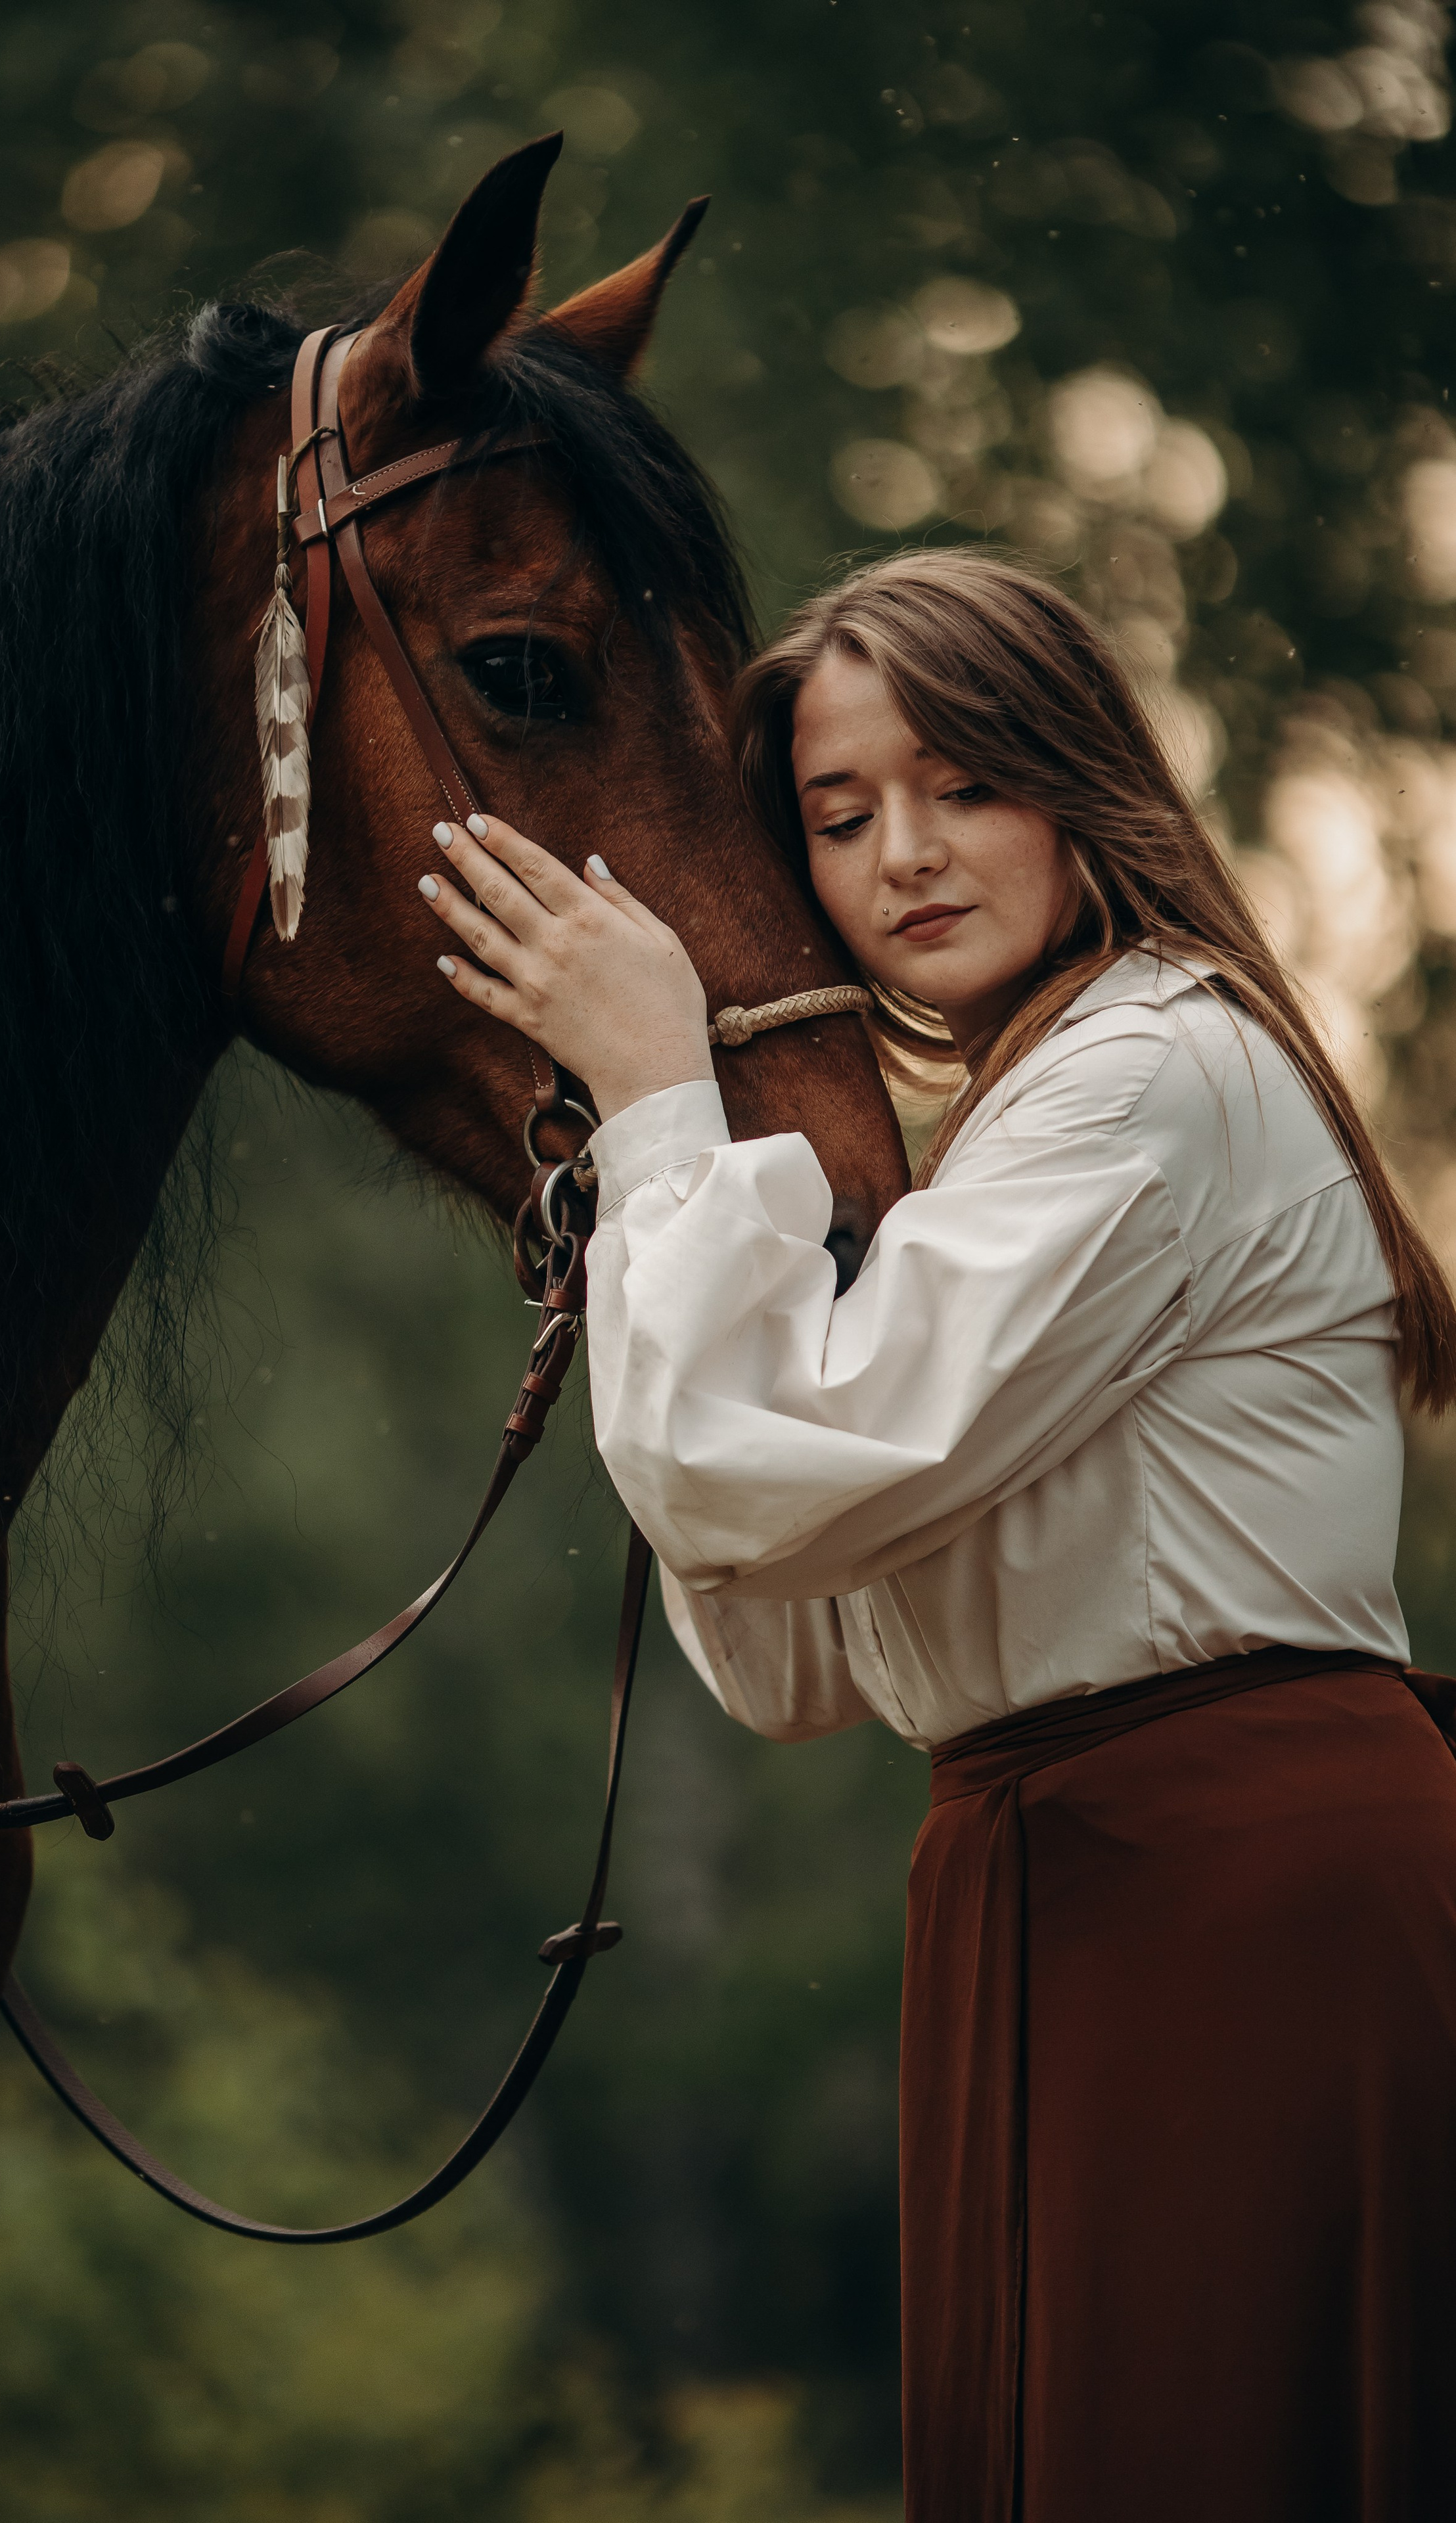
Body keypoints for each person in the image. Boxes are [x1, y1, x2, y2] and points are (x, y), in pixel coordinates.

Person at [417, 548, 1456, 2523]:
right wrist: (668, 1186)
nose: (904, 853)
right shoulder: (1001, 1123)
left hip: (1233, 1875)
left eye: (966, 783)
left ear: (1082, 782)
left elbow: (770, 1467)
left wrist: (662, 1103)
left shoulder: (1148, 1070)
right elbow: (794, 1638)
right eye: (838, 815)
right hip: (1039, 1868)